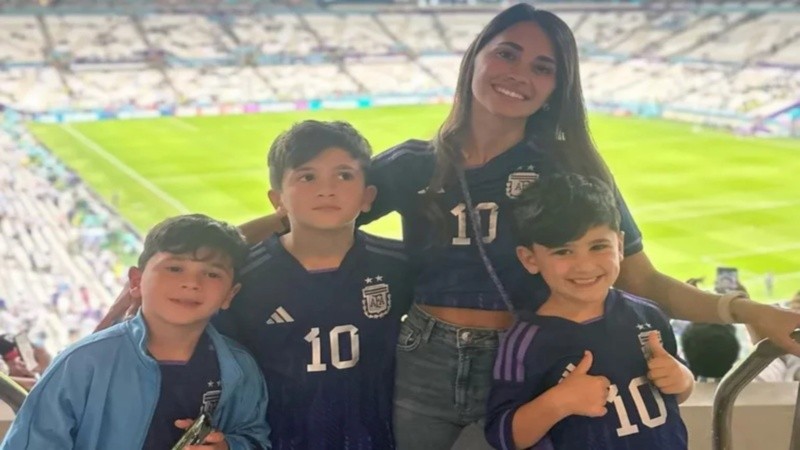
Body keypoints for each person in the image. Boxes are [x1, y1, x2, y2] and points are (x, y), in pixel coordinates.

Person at [113, 4, 800, 449]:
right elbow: (305, 215)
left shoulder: (568, 170)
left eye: (542, 67)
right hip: (423, 359)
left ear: (556, 88)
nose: (519, 74)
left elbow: (643, 278)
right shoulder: (415, 164)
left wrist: (747, 312)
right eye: (507, 53)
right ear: (475, 57)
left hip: (532, 361)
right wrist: (189, 262)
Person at [213, 120, 413, 449]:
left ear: (368, 197)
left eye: (344, 175)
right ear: (277, 199)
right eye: (307, 177)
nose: (327, 189)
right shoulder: (244, 279)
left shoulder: (399, 264)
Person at [1, 214, 271, 450]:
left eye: (212, 274)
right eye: (175, 268)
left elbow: (254, 436)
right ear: (136, 281)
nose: (191, 283)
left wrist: (228, 446)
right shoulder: (82, 363)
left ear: (230, 294)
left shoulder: (239, 367)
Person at [484, 173, 691, 450]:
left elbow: (676, 390)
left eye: (598, 246)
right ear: (530, 259)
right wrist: (559, 402)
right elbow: (502, 435)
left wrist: (682, 379)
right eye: (563, 252)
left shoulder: (648, 315)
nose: (584, 265)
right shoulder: (526, 342)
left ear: (619, 245)